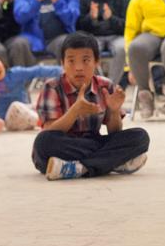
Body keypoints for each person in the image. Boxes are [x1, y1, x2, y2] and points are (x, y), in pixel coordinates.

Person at [33, 33, 150, 180]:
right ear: (62, 63)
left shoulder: (105, 86)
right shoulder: (52, 87)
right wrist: (74, 111)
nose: (79, 68)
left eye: (86, 60)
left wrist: (113, 111)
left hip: (93, 141)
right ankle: (112, 162)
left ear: (96, 62)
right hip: (63, 146)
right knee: (43, 142)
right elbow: (50, 130)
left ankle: (80, 168)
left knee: (140, 137)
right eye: (71, 61)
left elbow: (114, 132)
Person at [0, 50, 61, 130]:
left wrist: (61, 70)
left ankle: (54, 120)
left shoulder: (15, 73)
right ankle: (43, 123)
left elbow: (37, 71)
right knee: (15, 106)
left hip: (28, 111)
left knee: (40, 103)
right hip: (11, 121)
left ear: (1, 61)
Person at [77, 0, 127, 86]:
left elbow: (127, 25)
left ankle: (111, 86)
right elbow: (79, 27)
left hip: (117, 36)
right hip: (93, 37)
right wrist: (91, 18)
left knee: (123, 47)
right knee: (86, 50)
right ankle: (95, 86)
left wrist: (111, 18)